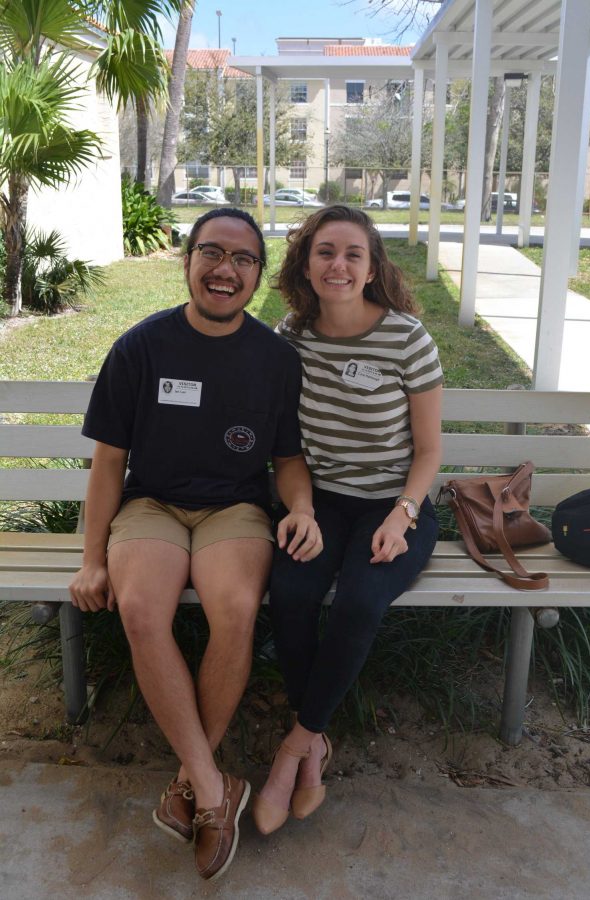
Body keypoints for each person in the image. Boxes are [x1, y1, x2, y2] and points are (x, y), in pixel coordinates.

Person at [69, 207, 322, 881]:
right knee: (141, 609)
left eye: (243, 260)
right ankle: (213, 790)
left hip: (234, 509)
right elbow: (108, 463)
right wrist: (93, 559)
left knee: (235, 609)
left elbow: (288, 458)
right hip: (150, 505)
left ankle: (191, 779)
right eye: (212, 253)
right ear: (186, 262)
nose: (225, 270)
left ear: (257, 276)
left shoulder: (274, 359)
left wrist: (298, 506)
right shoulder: (141, 347)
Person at [253, 205, 443, 834]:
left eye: (352, 254)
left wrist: (403, 514)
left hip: (396, 504)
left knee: (362, 599)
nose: (338, 264)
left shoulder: (406, 337)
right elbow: (288, 448)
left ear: (371, 267)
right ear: (306, 264)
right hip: (322, 501)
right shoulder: (290, 339)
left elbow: (429, 451)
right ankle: (318, 746)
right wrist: (301, 509)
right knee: (292, 591)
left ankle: (294, 750)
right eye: (325, 252)